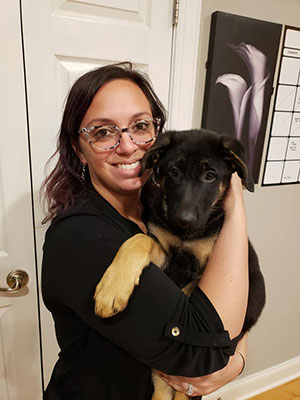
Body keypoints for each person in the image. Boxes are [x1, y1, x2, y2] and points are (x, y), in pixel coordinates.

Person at [41, 62, 248, 399]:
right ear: (78, 148)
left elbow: (235, 297)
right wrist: (236, 204)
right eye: (103, 132)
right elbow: (203, 353)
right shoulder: (79, 238)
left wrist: (236, 356)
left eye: (139, 126)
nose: (127, 147)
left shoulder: (161, 211)